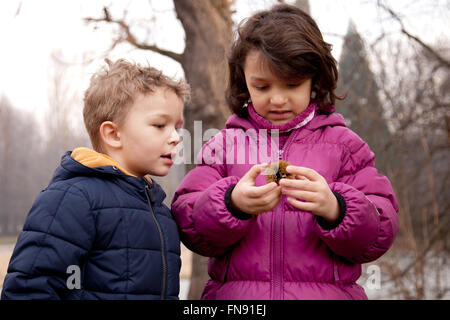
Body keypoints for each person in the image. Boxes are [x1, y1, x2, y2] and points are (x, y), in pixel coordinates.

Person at [171, 4, 398, 300]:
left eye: (292, 84)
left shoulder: (345, 146)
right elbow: (190, 225)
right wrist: (232, 203)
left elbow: (380, 231)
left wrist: (336, 208)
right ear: (244, 81)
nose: (277, 99)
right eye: (262, 86)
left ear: (314, 80)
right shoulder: (223, 146)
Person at [1, 59, 190, 300]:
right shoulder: (73, 199)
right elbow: (28, 290)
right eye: (160, 125)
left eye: (177, 127)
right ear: (113, 134)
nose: (175, 137)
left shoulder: (161, 212)